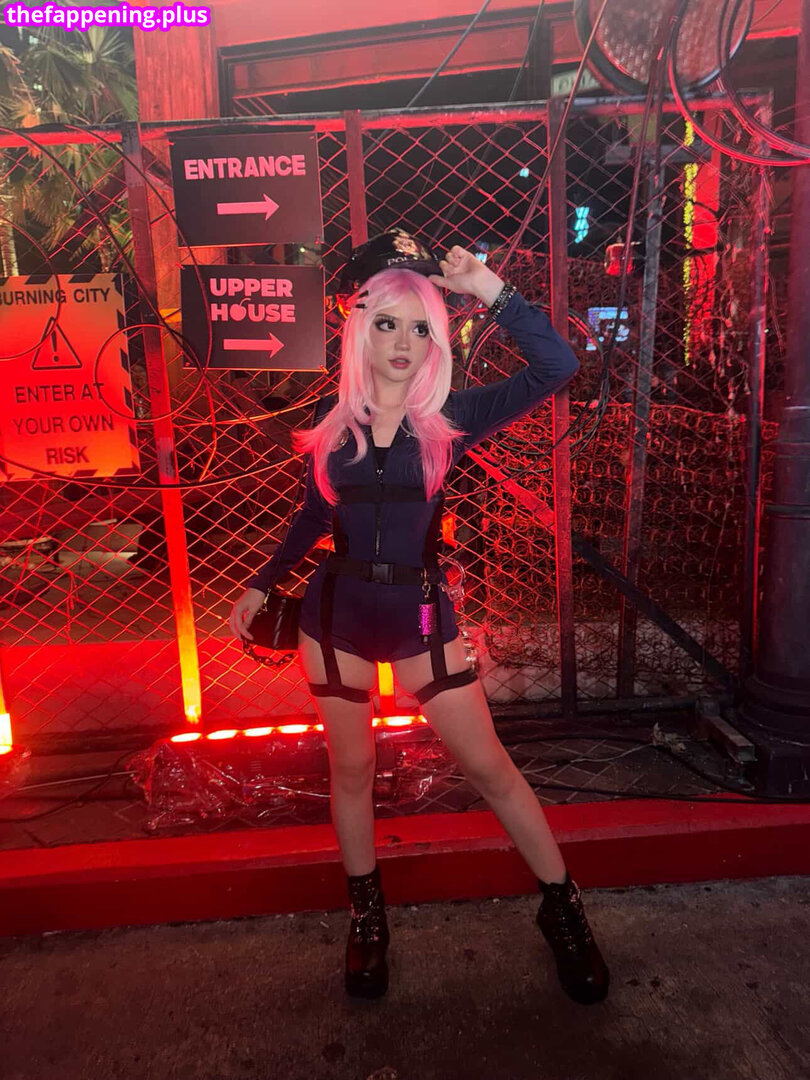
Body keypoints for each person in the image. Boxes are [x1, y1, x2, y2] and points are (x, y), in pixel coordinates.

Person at [229, 228, 609, 1005]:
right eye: (387, 323)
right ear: (359, 330)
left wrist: (488, 289)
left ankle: (563, 908)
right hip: (334, 618)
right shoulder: (332, 424)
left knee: (490, 768)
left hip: (420, 620)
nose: (403, 343)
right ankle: (367, 918)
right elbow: (312, 517)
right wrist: (262, 583)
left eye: (420, 327)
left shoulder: (452, 418)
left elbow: (558, 366)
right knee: (351, 771)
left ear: (437, 339)